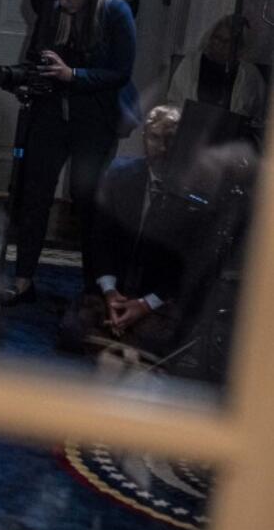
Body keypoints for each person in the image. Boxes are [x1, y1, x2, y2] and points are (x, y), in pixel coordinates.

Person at [8, 0, 140, 305]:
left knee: (88, 203)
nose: (62, 1)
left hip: (94, 117)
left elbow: (121, 73)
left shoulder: (116, 10)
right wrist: (29, 76)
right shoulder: (53, 10)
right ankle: (22, 280)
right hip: (51, 112)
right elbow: (38, 53)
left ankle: (95, 288)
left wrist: (73, 74)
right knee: (34, 197)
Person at [58, 106, 190, 355]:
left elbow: (183, 263)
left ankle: (120, 332)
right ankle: (121, 328)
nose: (162, 148)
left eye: (170, 140)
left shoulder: (190, 190)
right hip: (116, 288)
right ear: (144, 138)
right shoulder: (120, 174)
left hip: (156, 296)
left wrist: (145, 304)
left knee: (161, 341)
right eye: (155, 138)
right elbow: (101, 239)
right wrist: (110, 293)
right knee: (71, 332)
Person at [167, 14, 267, 120]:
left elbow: (257, 114)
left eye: (227, 41)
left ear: (239, 46)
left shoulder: (249, 73)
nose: (219, 44)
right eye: (217, 37)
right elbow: (174, 101)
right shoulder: (191, 63)